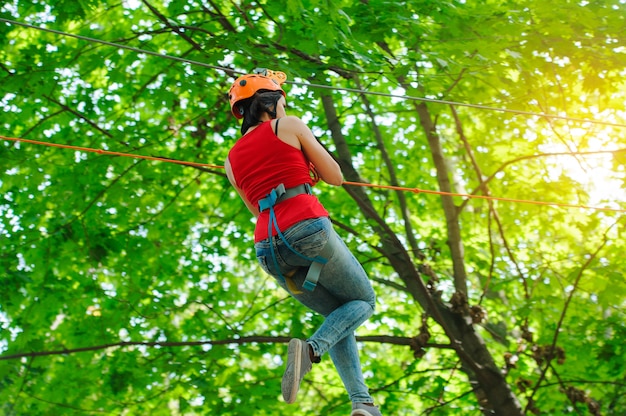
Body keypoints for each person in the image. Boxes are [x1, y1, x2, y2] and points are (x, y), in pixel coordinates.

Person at [224, 69, 383, 416]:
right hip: (307, 229)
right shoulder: (289, 126)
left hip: (268, 250)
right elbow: (336, 177)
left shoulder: (231, 160)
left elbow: (255, 208)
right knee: (364, 301)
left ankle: (362, 403)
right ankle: (311, 351)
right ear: (270, 102)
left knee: (339, 315)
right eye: (281, 99)